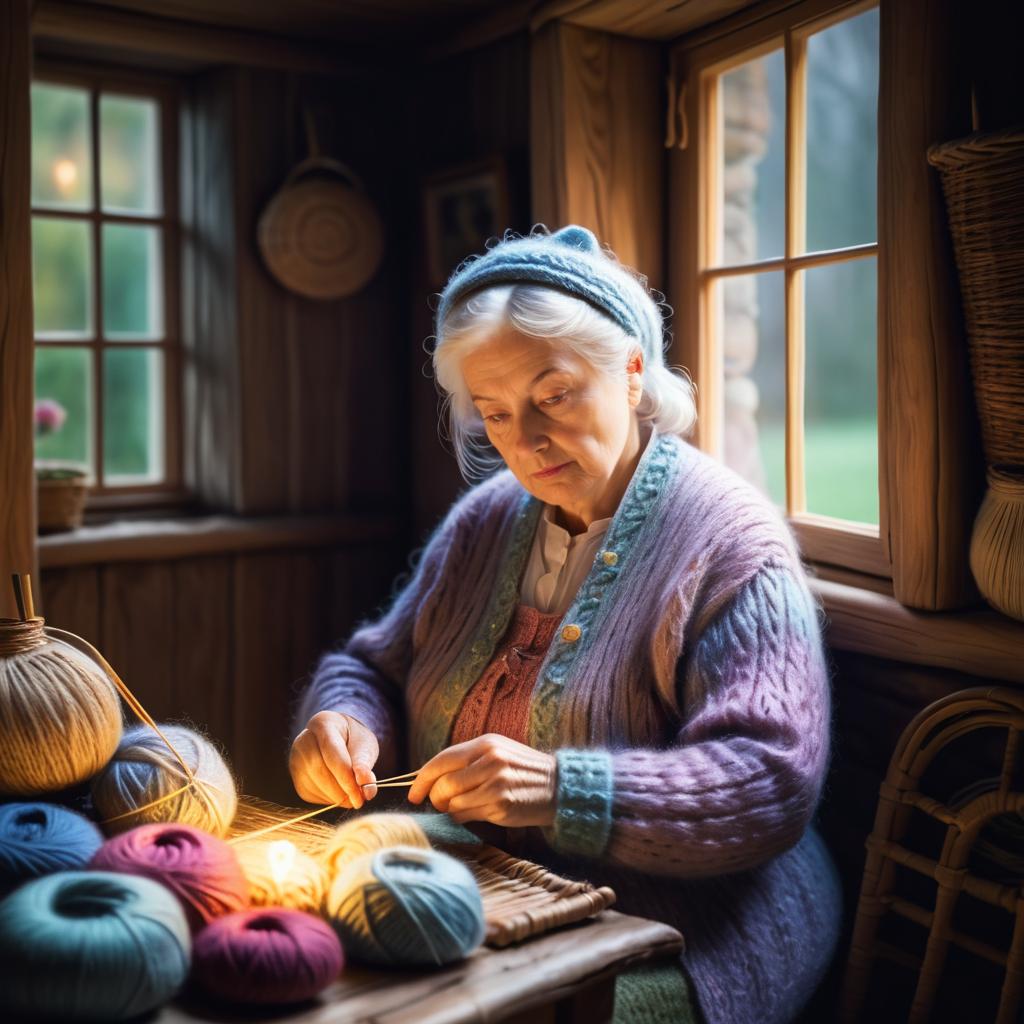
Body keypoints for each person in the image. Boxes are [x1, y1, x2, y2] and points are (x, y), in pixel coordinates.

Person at [290, 225, 842, 1024]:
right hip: (492, 894)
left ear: (630, 372)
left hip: (684, 928)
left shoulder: (732, 547)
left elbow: (769, 782)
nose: (526, 440)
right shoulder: (485, 521)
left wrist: (558, 790)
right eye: (496, 414)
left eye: (554, 396)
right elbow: (374, 664)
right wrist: (343, 720)